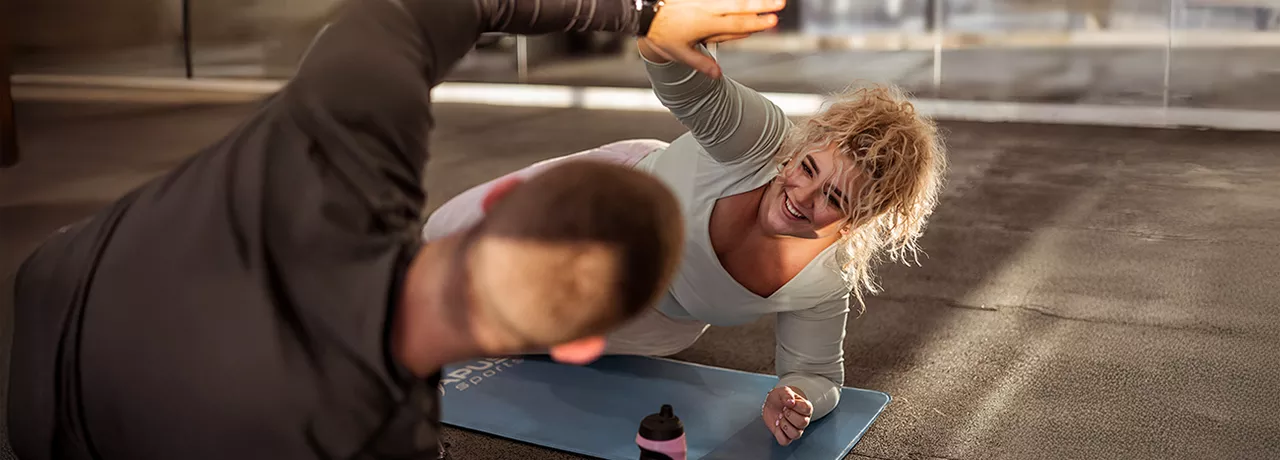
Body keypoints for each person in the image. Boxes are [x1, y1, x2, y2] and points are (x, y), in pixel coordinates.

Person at [6, 0, 788, 458]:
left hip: (62, 278)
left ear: (490, 201)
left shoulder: (354, 133)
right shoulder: (386, 438)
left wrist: (645, 14)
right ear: (586, 344)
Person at [424, 36, 948, 447]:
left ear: (858, 220)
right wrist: (672, 35)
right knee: (442, 235)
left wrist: (799, 398)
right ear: (802, 148)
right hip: (601, 207)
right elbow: (683, 80)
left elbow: (817, 374)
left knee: (487, 330)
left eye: (832, 198)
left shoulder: (827, 278)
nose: (800, 195)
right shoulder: (761, 139)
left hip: (647, 320)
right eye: (808, 167)